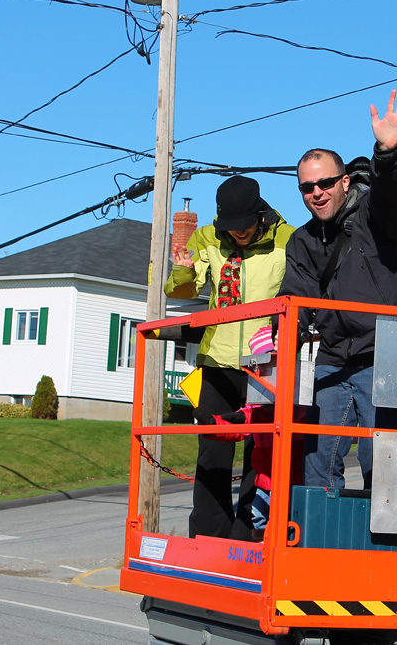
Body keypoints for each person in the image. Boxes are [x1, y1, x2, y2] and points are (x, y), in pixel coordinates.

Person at [279, 89, 397, 490]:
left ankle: (391, 551)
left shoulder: (378, 217)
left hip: (388, 354)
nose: (317, 193)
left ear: (345, 182)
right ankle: (319, 545)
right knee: (315, 458)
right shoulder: (302, 242)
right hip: (333, 361)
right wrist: (275, 355)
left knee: (384, 463)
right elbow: (294, 304)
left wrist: (387, 153)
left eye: (325, 182)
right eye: (307, 187)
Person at [164, 175, 295, 540]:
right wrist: (184, 270)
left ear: (260, 214)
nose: (238, 233)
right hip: (217, 360)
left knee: (260, 451)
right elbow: (180, 291)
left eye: (245, 225)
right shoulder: (207, 237)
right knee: (212, 453)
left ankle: (247, 535)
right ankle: (208, 535)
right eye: (230, 227)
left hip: (265, 361)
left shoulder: (289, 239)